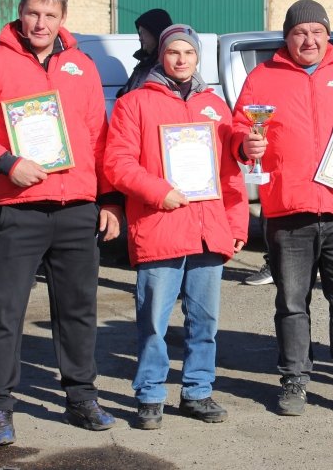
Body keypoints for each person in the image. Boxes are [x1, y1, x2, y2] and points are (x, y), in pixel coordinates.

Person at [0, 0, 123, 445]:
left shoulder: (82, 67)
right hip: (19, 205)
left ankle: (81, 396)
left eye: (50, 15)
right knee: (5, 310)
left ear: (63, 19)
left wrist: (107, 199)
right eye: (34, 14)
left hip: (76, 208)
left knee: (78, 310)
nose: (41, 23)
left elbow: (98, 138)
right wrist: (7, 162)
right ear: (20, 15)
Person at [233, 0, 333, 418]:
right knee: (292, 300)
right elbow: (239, 125)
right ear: (287, 37)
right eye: (300, 32)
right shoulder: (263, 78)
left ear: (327, 35)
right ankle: (294, 378)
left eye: (316, 32)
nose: (309, 40)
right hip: (288, 208)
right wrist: (244, 143)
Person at [105, 24, 248, 430]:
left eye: (188, 52)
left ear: (197, 58)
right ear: (161, 57)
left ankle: (197, 391)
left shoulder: (215, 105)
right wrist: (158, 191)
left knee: (204, 321)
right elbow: (117, 163)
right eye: (173, 53)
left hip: (209, 228)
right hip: (161, 224)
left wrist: (236, 222)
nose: (181, 59)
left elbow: (230, 172)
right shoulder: (135, 103)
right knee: (153, 320)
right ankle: (150, 394)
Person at [116, 8, 173, 97]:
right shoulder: (144, 64)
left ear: (155, 33)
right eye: (139, 33)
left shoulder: (168, 67)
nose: (140, 38)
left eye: (143, 33)